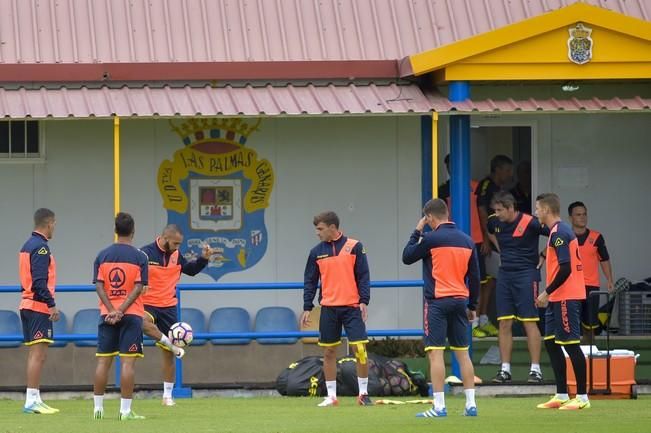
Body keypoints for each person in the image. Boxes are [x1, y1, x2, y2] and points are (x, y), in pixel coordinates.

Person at [402, 199, 480, 418]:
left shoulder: (430, 239)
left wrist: (417, 230)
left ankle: (439, 407)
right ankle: (471, 405)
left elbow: (407, 257)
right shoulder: (467, 241)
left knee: (435, 354)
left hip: (437, 302)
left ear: (429, 217)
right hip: (460, 301)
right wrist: (472, 304)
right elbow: (475, 277)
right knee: (463, 354)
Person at [301, 211, 371, 407]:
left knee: (360, 350)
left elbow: (363, 276)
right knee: (329, 352)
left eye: (320, 229)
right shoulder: (315, 252)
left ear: (332, 228)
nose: (317, 233)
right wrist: (307, 306)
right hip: (329, 309)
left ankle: (364, 394)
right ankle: (331, 396)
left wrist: (364, 300)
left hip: (352, 307)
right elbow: (310, 280)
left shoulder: (355, 246)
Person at [140, 224, 215, 406]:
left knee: (168, 355)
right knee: (141, 322)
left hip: (168, 307)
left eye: (180, 244)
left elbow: (190, 270)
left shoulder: (176, 255)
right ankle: (170, 344)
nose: (177, 247)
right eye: (175, 243)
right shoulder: (144, 254)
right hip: (147, 304)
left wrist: (203, 259)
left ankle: (167, 396)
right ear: (165, 238)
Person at [535, 194, 590, 410]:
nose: (536, 212)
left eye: (538, 208)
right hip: (557, 297)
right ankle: (561, 394)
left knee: (571, 345)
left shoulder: (559, 232)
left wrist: (546, 292)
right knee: (550, 341)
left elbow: (566, 268)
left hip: (566, 296)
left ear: (547, 209)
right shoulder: (556, 232)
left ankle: (583, 397)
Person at [92, 212, 148, 421]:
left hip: (107, 315)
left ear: (115, 231)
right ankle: (125, 411)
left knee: (103, 363)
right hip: (131, 315)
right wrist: (122, 310)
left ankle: (97, 409)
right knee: (127, 364)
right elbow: (138, 288)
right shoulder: (140, 257)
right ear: (133, 231)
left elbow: (98, 285)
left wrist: (111, 309)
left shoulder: (102, 255)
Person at [487, 192, 545, 384]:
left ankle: (535, 370)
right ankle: (505, 370)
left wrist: (544, 255)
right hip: (505, 274)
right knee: (504, 322)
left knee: (529, 321)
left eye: (500, 210)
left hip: (526, 274)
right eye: (494, 210)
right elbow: (489, 230)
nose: (496, 214)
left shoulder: (531, 222)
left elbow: (557, 235)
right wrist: (499, 248)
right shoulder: (494, 222)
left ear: (511, 208)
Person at [19, 208, 60, 414]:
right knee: (38, 355)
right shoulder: (41, 248)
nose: (55, 228)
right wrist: (51, 304)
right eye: (54, 224)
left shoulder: (27, 245)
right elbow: (39, 281)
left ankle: (34, 397)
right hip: (37, 306)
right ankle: (31, 401)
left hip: (27, 304)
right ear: (48, 223)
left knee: (37, 355)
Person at [475, 154, 514, 337]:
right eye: (507, 170)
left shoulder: (499, 187)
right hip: (484, 239)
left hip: (495, 238)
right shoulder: (486, 186)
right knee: (481, 280)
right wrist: (485, 238)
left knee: (491, 279)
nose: (509, 174)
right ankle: (474, 322)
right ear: (497, 169)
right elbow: (481, 211)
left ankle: (483, 319)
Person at [568, 201, 614, 340]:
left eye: (584, 214)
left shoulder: (596, 237)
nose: (582, 217)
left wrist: (610, 280)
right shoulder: (565, 236)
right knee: (571, 324)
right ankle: (573, 356)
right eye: (578, 215)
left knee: (590, 325)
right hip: (571, 286)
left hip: (591, 287)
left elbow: (604, 259)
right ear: (571, 218)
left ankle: (589, 355)